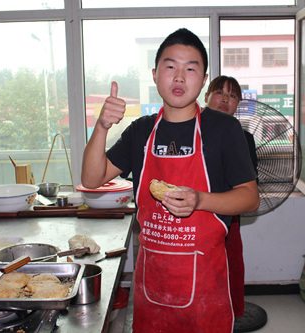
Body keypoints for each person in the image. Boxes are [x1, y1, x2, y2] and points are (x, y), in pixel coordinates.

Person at [82, 28, 259, 332]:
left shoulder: (224, 129)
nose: (179, 77)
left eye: (191, 68)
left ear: (203, 79)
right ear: (154, 74)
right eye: (170, 66)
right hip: (153, 284)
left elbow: (250, 197)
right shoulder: (141, 131)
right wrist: (101, 126)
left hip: (206, 288)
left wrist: (200, 200)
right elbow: (92, 178)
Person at [204, 75, 258, 319]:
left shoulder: (244, 138)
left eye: (233, 95)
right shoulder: (189, 131)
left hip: (228, 221)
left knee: (230, 271)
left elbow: (249, 188)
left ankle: (231, 318)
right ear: (206, 97)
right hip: (190, 221)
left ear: (238, 105)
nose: (225, 99)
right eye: (219, 93)